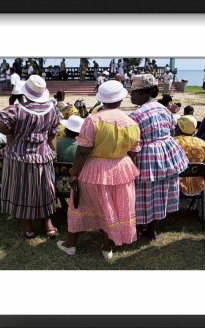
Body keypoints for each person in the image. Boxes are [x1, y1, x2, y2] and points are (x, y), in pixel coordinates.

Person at [57, 81, 141, 259]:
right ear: (121, 99)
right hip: (122, 169)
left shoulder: (93, 120)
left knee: (79, 205)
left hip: (94, 170)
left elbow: (82, 150)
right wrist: (124, 167)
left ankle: (70, 244)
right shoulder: (132, 123)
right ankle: (106, 247)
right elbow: (133, 152)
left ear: (102, 100)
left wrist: (74, 174)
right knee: (113, 209)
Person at [0, 75, 60, 239]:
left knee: (22, 191)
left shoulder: (17, 109)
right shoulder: (52, 110)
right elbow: (52, 136)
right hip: (43, 156)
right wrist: (54, 154)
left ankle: (27, 227)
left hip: (20, 156)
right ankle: (48, 225)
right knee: (45, 190)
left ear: (26, 93)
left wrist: (9, 134)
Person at [129, 74, 188, 239]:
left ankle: (140, 226)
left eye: (133, 92)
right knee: (160, 191)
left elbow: (133, 143)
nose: (131, 95)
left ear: (143, 92)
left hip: (146, 158)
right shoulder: (164, 109)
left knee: (143, 193)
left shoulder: (136, 116)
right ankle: (152, 229)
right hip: (167, 156)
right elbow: (172, 131)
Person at [55, 115, 84, 211]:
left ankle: (63, 202)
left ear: (66, 130)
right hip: (78, 184)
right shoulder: (81, 147)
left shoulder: (56, 144)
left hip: (57, 183)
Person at [174, 115, 205, 198]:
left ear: (179, 128)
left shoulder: (173, 143)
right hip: (199, 184)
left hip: (176, 184)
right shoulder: (202, 144)